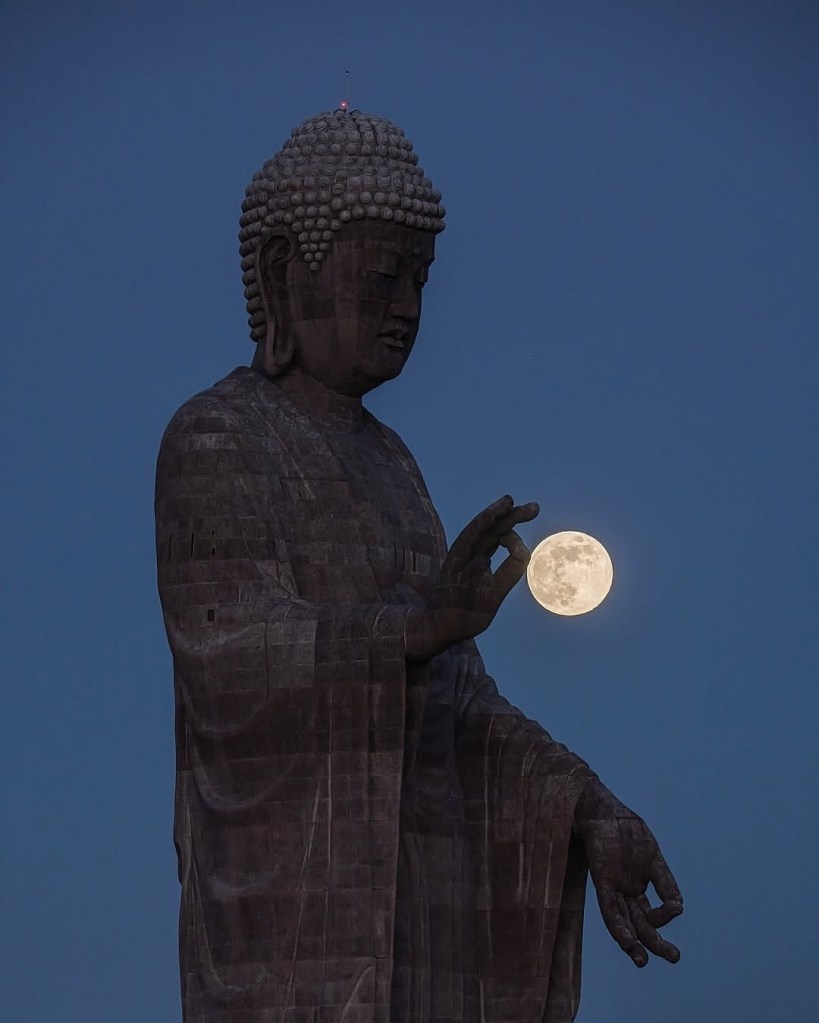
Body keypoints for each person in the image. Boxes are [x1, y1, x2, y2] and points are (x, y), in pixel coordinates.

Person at [155, 109, 682, 1023]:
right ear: (283, 272)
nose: (405, 306)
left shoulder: (393, 465)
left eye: (419, 279)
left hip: (423, 918)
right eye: (381, 276)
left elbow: (457, 700)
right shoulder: (218, 436)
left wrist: (591, 806)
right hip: (299, 917)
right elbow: (231, 652)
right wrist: (411, 629)